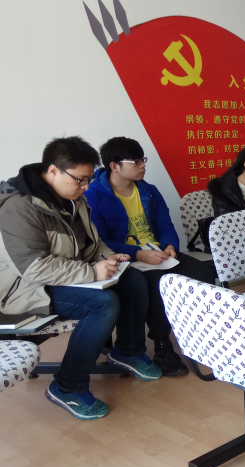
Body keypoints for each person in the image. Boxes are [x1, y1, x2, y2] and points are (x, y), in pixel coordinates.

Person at [0, 137, 161, 420]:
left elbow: (91, 243)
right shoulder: (19, 207)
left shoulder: (74, 198)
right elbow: (34, 268)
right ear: (53, 171)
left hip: (65, 276)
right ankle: (67, 386)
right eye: (80, 180)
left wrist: (109, 256)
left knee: (132, 279)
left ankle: (128, 351)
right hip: (25, 288)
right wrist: (92, 272)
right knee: (103, 304)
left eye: (88, 180)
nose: (86, 187)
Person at [85, 136, 217, 377]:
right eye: (135, 162)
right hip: (123, 258)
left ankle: (201, 335)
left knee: (204, 273)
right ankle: (162, 345)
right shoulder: (94, 195)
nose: (142, 166)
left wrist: (169, 245)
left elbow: (165, 223)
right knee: (157, 284)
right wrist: (138, 254)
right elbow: (101, 239)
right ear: (114, 166)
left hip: (157, 253)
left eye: (143, 160)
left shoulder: (148, 191)